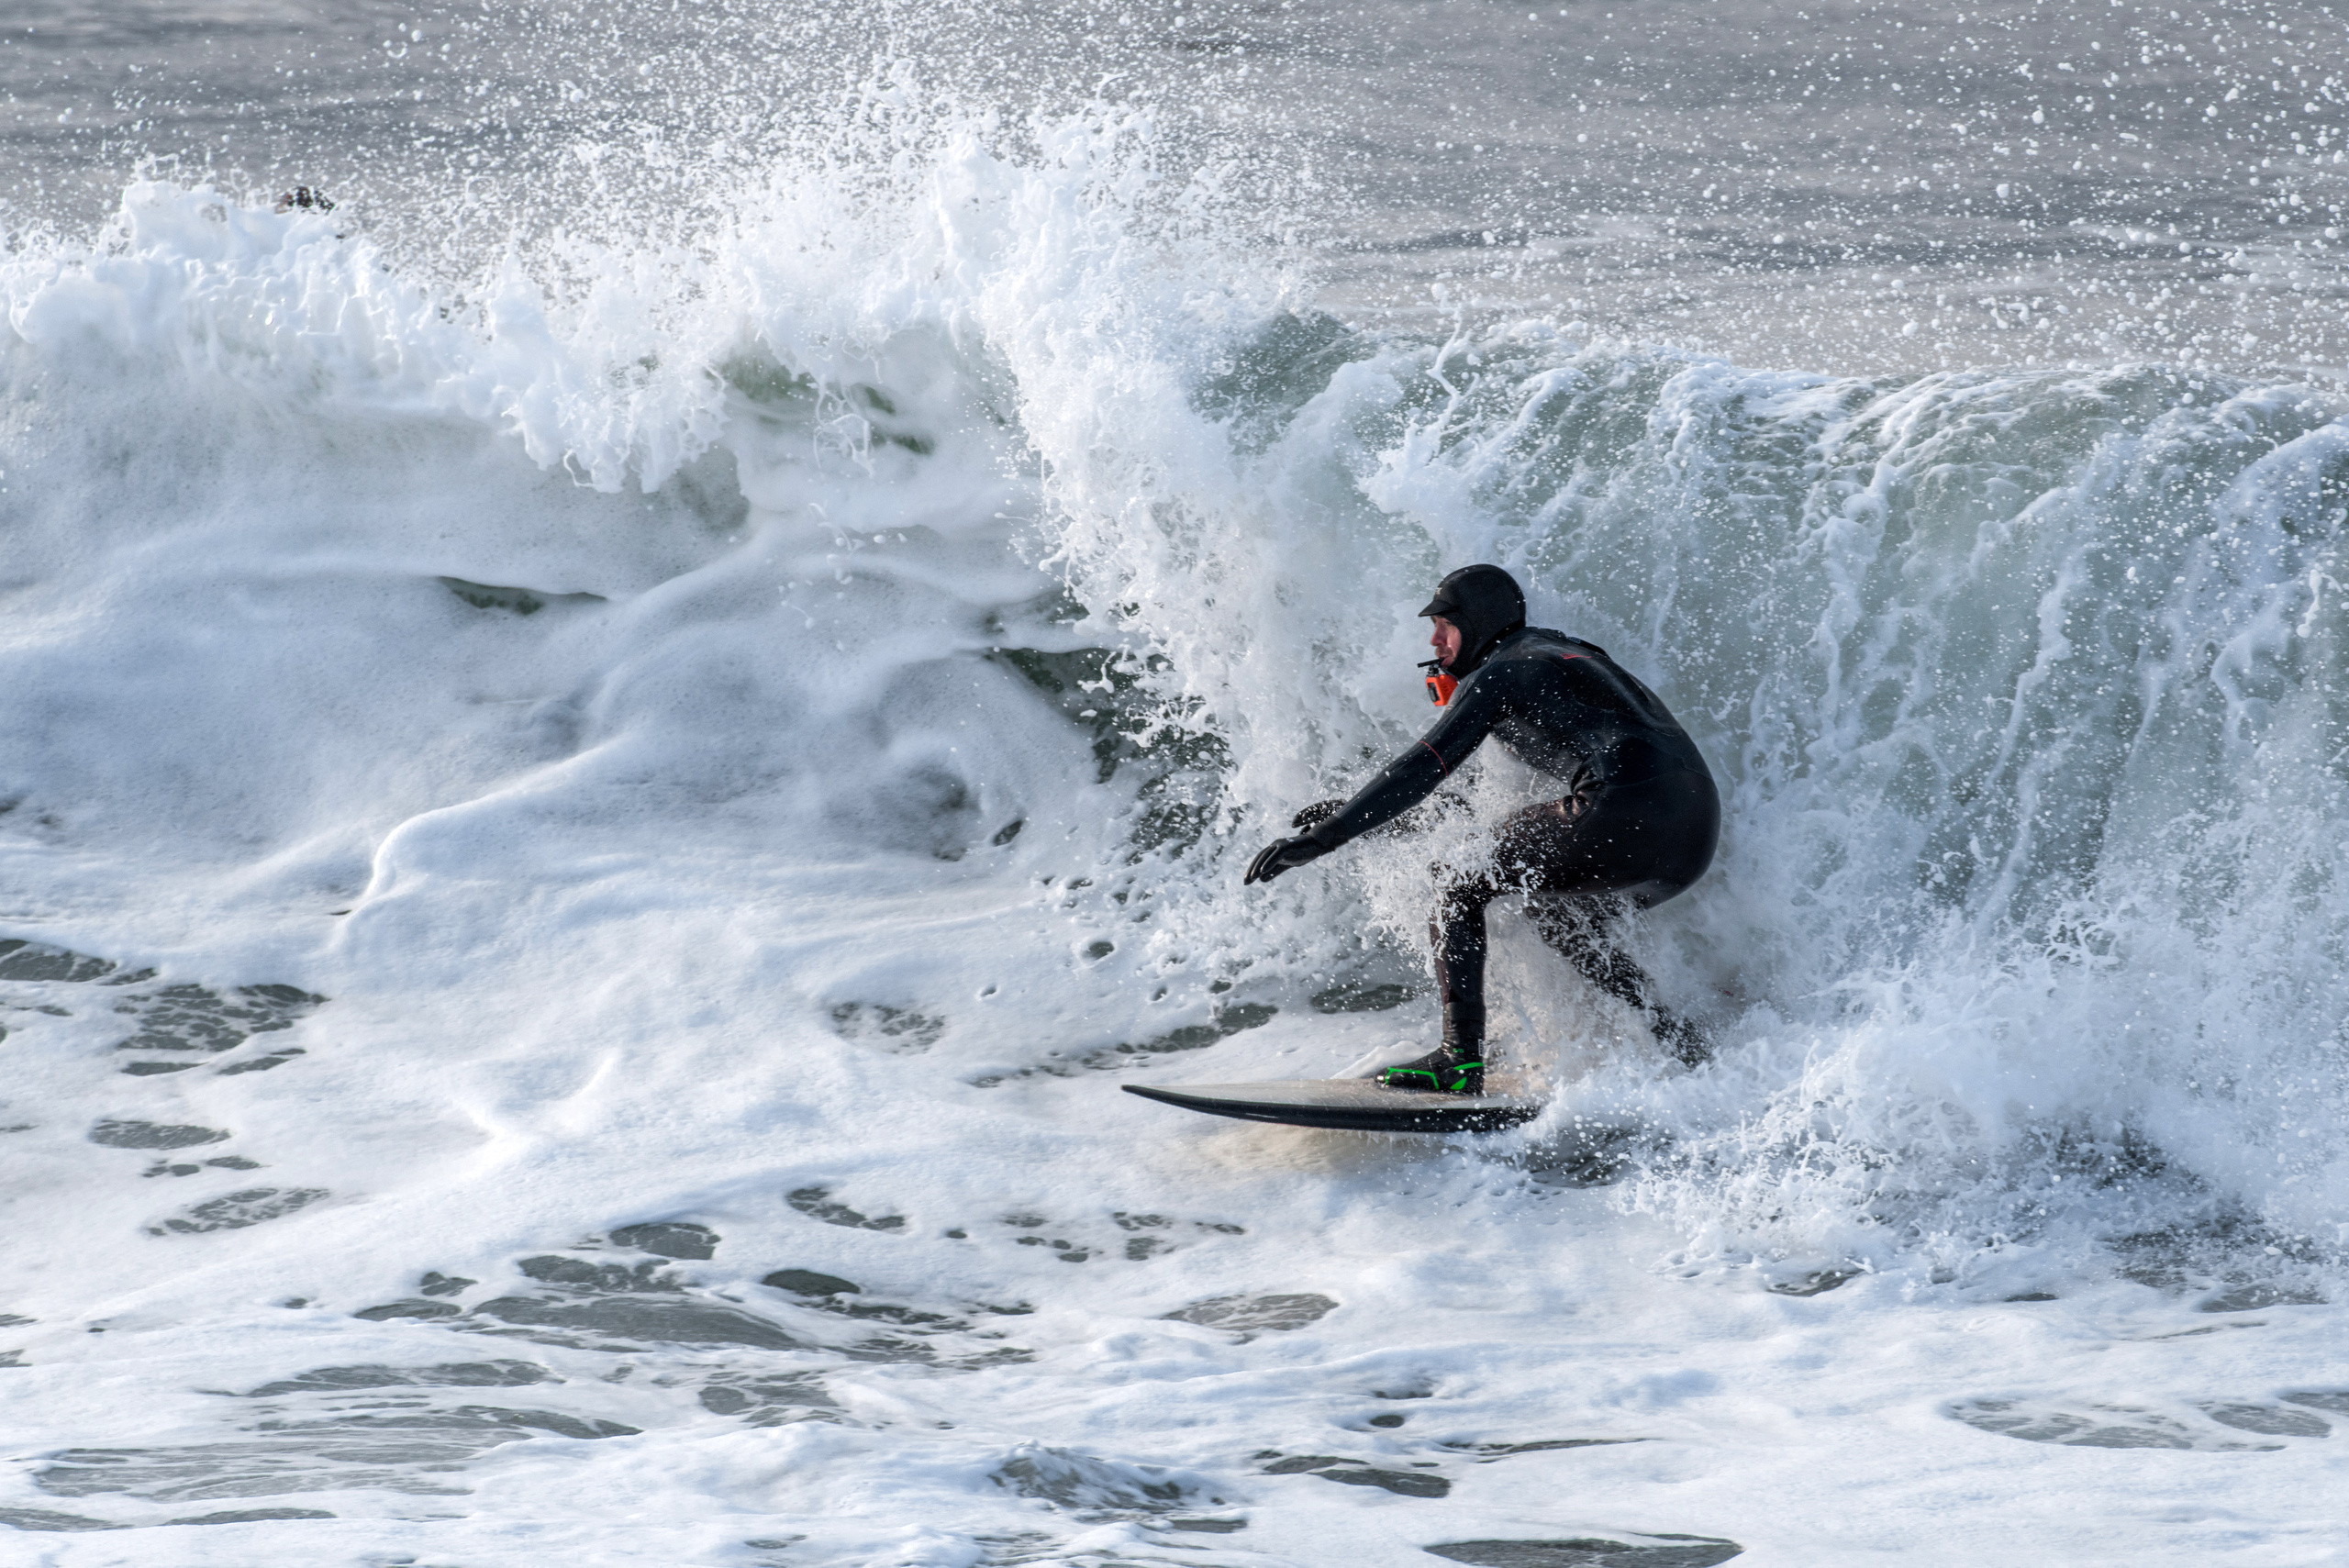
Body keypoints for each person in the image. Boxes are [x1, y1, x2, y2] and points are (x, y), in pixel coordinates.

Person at [1243, 564, 1719, 1093]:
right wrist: (1359, 814)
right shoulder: (1566, 655)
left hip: (1620, 806)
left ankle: (1458, 1060)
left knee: (1458, 876)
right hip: (1692, 835)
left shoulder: (1503, 671)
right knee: (1558, 916)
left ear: (1478, 623)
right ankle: (1679, 1042)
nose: (1434, 641)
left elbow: (1424, 766)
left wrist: (1322, 839)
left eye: (1444, 624)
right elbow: (1477, 807)